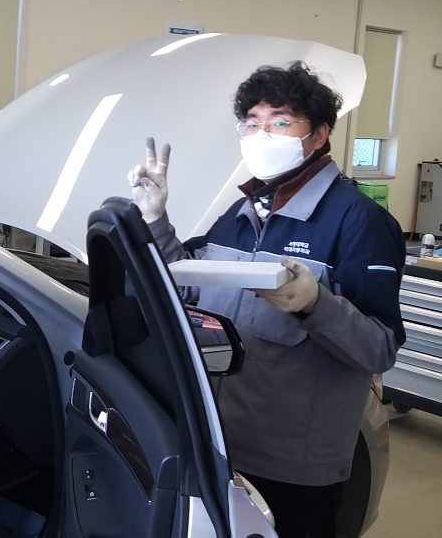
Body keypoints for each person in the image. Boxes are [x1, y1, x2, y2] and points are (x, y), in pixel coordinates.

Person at [127, 61, 404, 538]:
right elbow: (185, 286)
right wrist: (154, 222)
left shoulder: (360, 222)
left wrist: (315, 303)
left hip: (294, 468)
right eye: (252, 123)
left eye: (280, 122)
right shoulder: (240, 213)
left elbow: (379, 348)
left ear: (318, 135)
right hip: (219, 447)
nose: (261, 135)